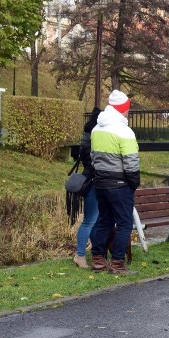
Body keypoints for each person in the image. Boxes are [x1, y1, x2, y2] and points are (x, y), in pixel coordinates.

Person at [89, 90, 140, 275]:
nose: (128, 112)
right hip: (119, 185)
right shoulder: (124, 131)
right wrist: (133, 183)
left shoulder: (96, 129)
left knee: (104, 220)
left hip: (100, 183)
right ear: (122, 110)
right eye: (127, 109)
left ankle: (98, 259)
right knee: (125, 223)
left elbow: (93, 157)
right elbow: (131, 163)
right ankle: (117, 263)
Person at [73, 107, 101, 269]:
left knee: (94, 220)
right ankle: (80, 255)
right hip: (93, 182)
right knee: (90, 221)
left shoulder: (87, 136)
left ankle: (95, 254)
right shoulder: (94, 139)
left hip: (89, 180)